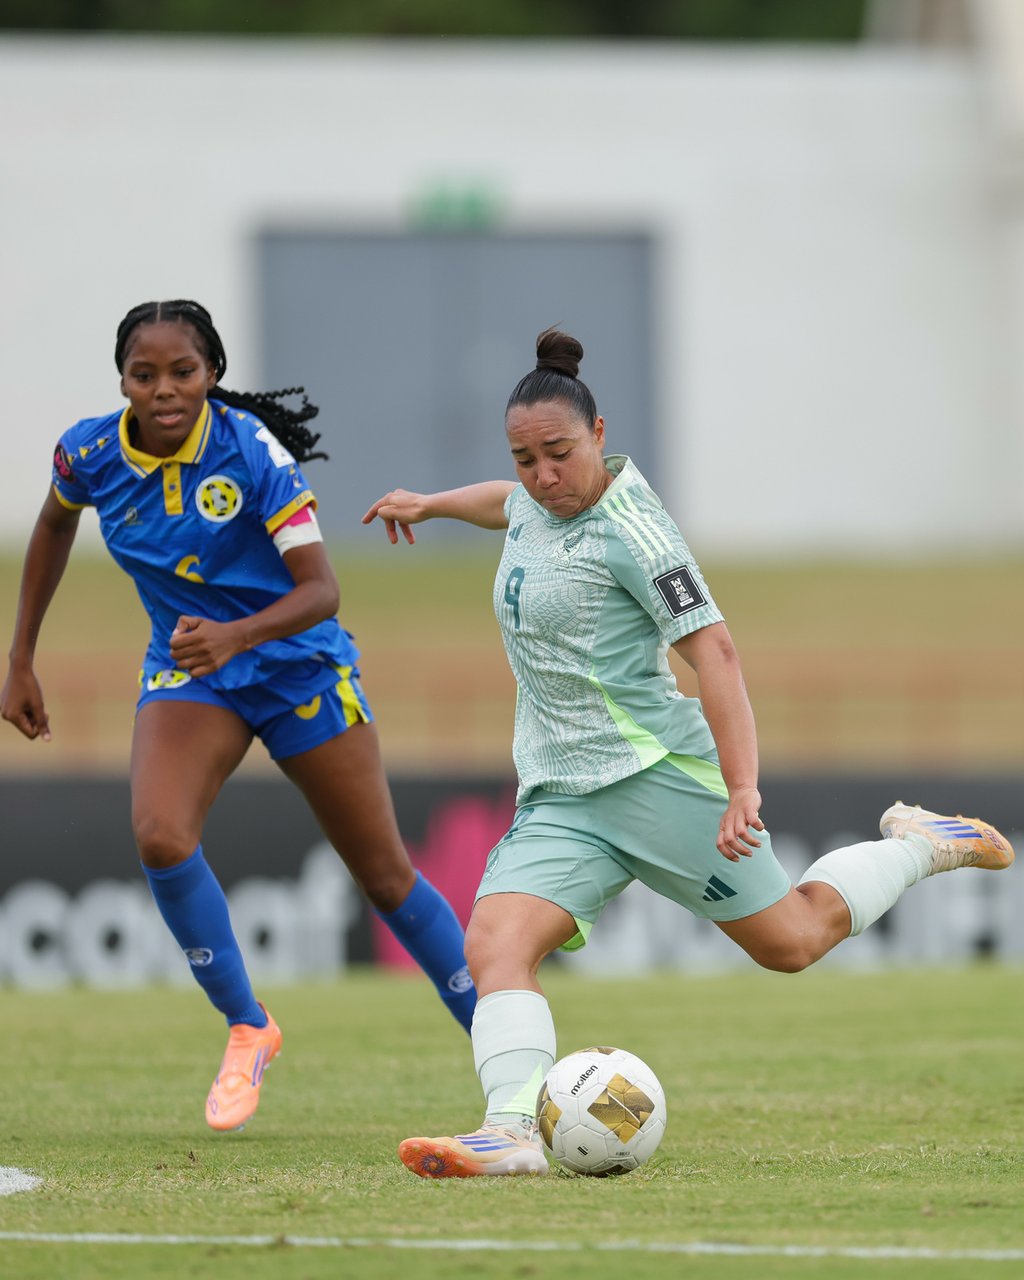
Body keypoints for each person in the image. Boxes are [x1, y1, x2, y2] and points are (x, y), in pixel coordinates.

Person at [362, 326, 1015, 1179]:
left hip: (656, 779)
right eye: (525, 459)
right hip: (564, 793)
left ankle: (921, 845)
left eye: (558, 455)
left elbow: (716, 654)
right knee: (494, 944)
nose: (542, 477)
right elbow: (507, 505)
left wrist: (741, 785)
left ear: (599, 436)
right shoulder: (534, 496)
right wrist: (434, 503)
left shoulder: (638, 534)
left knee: (790, 940)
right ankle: (512, 1133)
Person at [1, 299, 476, 1134]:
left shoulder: (253, 454)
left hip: (298, 668)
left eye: (182, 372)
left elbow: (322, 591)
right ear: (122, 381)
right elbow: (49, 526)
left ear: (212, 374)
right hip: (194, 670)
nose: (163, 390)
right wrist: (19, 659)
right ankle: (249, 1026)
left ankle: (505, 1047)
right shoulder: (87, 453)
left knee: (386, 877)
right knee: (159, 834)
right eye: (144, 375)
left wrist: (237, 634)